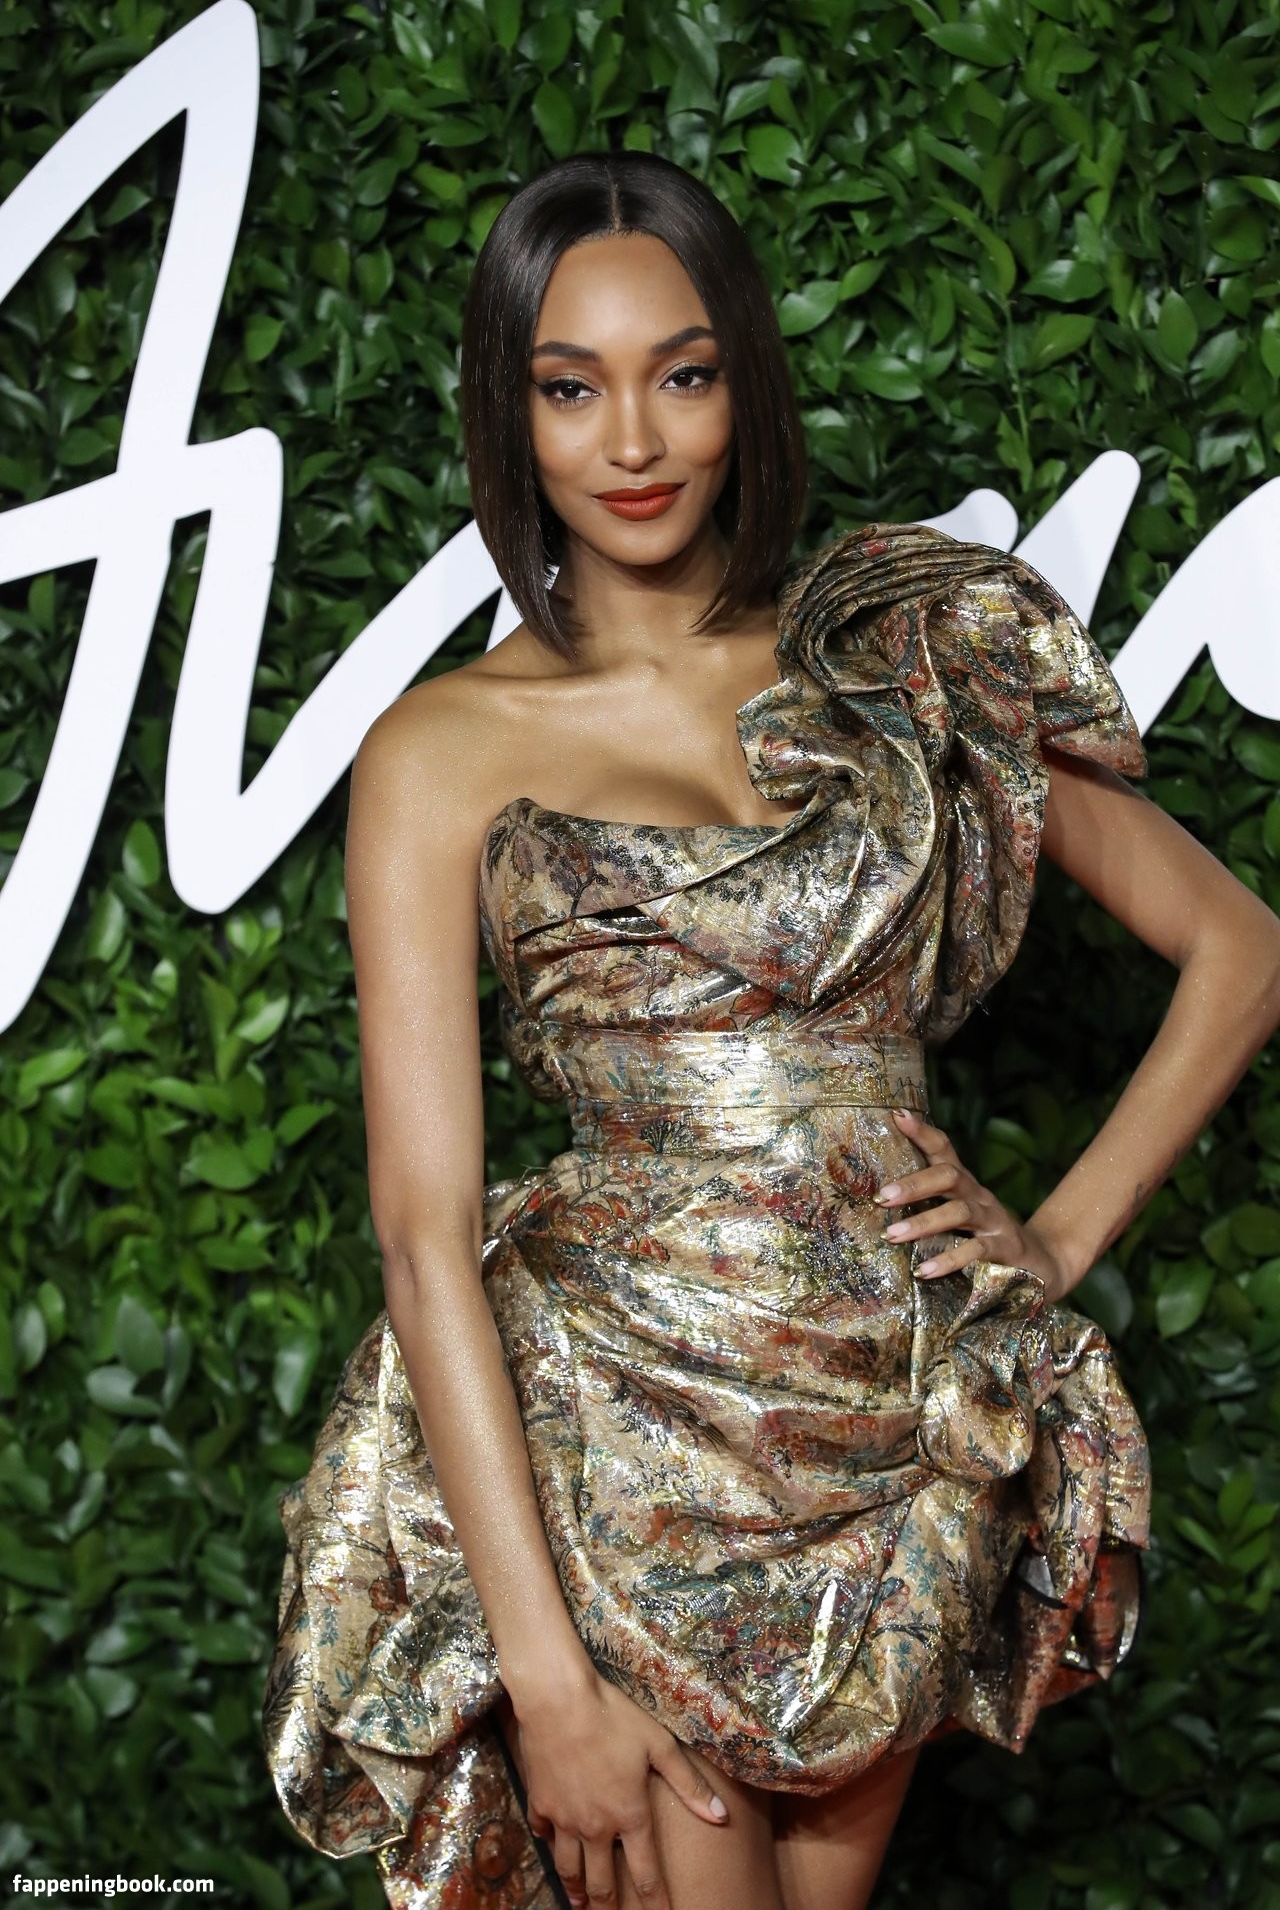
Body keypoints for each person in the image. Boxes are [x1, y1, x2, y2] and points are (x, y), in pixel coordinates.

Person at [262, 152, 1280, 1910]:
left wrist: (1049, 1243)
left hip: (884, 1430)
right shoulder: (439, 751)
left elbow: (1242, 951)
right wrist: (547, 1680)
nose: (632, 440)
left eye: (683, 372)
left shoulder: (892, 667)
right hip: (618, 1437)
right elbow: (424, 1238)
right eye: (569, 389)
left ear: (744, 379)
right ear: (510, 415)